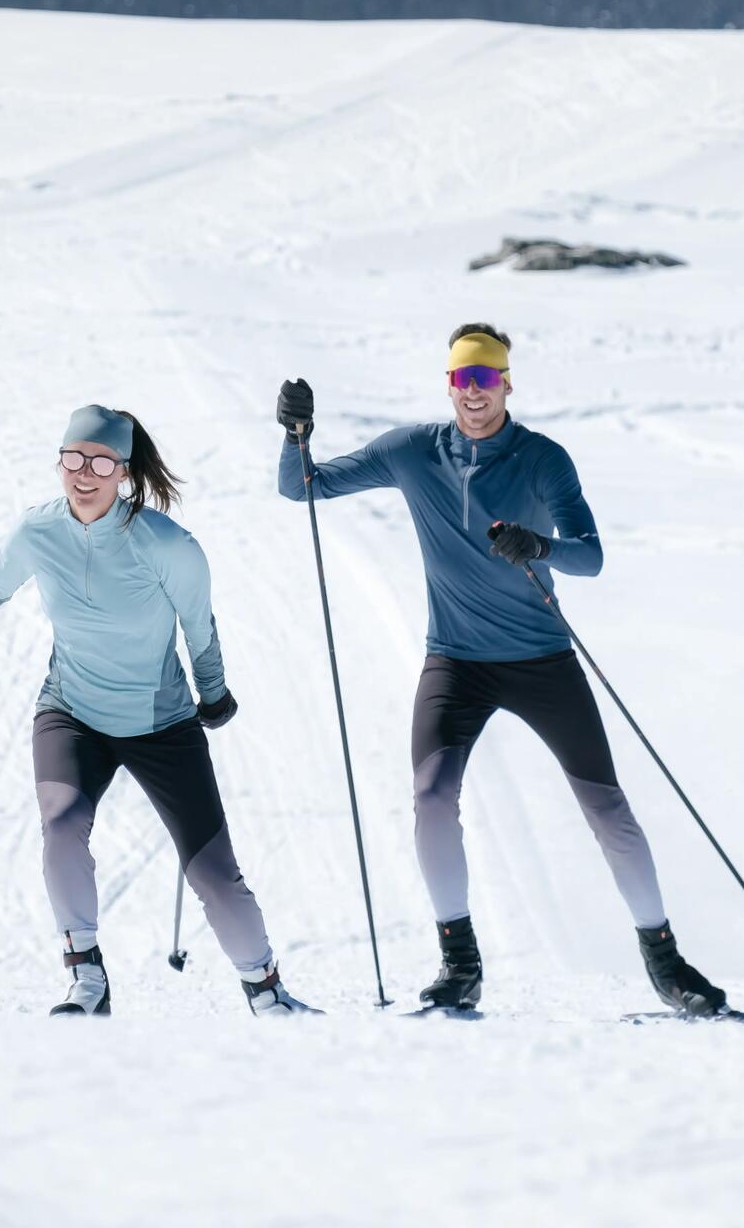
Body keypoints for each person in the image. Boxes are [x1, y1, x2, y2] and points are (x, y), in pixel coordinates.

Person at [276, 325, 725, 1017]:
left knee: (608, 812)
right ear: (448, 385)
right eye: (463, 380)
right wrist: (296, 433)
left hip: (542, 660)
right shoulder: (412, 451)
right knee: (429, 801)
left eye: (486, 379)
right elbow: (300, 487)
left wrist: (537, 544)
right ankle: (460, 964)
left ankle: (667, 964)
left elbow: (591, 555)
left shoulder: (543, 460)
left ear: (507, 384)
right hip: (456, 662)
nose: (475, 393)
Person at [0, 404, 314, 1018]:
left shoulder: (167, 547)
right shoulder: (38, 533)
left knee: (215, 875)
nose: (85, 473)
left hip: (162, 724)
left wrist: (212, 691)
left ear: (124, 471)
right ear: (60, 461)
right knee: (60, 830)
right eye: (73, 458)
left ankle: (267, 990)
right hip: (72, 714)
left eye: (102, 461)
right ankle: (87, 976)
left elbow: (199, 627)